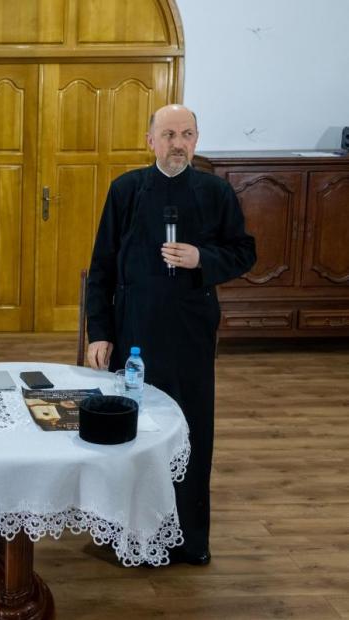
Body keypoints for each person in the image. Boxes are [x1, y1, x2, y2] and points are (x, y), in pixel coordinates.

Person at [85, 104, 256, 565]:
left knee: (191, 433)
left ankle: (188, 540)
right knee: (131, 434)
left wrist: (202, 259)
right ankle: (127, 536)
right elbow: (101, 267)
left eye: (186, 134)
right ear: (150, 141)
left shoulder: (216, 192)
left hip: (190, 335)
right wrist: (99, 332)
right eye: (168, 135)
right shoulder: (126, 190)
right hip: (133, 332)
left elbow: (244, 252)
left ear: (196, 140)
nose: (178, 144)